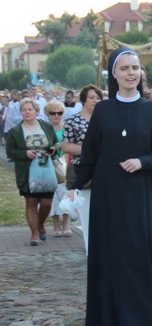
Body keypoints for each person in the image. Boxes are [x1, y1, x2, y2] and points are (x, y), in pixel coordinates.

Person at [64, 47, 152, 326]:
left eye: (135, 68)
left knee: (137, 260)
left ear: (141, 73)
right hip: (108, 198)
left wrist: (143, 161)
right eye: (124, 68)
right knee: (112, 261)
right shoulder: (103, 111)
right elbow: (89, 154)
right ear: (113, 74)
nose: (131, 73)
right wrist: (72, 188)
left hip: (139, 198)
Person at [6, 98, 60, 246]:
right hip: (27, 172)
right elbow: (10, 151)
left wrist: (53, 149)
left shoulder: (47, 127)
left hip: (46, 170)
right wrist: (25, 154)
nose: (27, 112)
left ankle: (41, 224)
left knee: (46, 203)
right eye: (24, 110)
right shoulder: (15, 131)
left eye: (30, 109)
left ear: (37, 112)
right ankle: (34, 233)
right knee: (31, 202)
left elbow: (56, 143)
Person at [61, 85, 103, 253]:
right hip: (82, 171)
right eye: (92, 97)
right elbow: (65, 146)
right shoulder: (73, 121)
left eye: (98, 98)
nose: (95, 101)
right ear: (84, 99)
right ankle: (90, 250)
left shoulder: (105, 120)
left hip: (103, 170)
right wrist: (88, 150)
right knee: (87, 213)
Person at [44, 100, 71, 238]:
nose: (56, 116)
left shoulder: (67, 127)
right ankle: (55, 224)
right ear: (47, 114)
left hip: (64, 163)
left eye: (59, 113)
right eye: (52, 113)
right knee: (53, 195)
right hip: (48, 164)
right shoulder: (44, 128)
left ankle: (66, 224)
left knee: (65, 193)